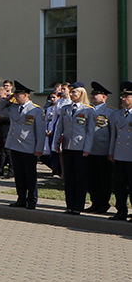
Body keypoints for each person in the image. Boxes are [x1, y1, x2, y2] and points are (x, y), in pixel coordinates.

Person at [53, 82, 95, 215]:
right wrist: (56, 143)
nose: (71, 94)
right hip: (67, 146)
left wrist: (87, 148)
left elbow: (90, 131)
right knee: (69, 176)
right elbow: (59, 127)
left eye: (74, 92)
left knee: (80, 177)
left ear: (81, 94)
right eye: (70, 92)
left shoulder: (88, 110)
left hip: (80, 147)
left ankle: (78, 206)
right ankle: (69, 205)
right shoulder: (65, 109)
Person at [5, 80, 46, 209]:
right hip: (15, 145)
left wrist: (39, 149)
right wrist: (7, 98)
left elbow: (40, 132)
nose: (16, 97)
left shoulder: (36, 110)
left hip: (29, 147)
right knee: (19, 175)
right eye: (15, 95)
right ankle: (21, 199)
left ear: (26, 95)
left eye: (19, 95)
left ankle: (32, 200)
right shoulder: (13, 107)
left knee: (30, 176)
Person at [86, 82, 115, 214]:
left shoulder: (110, 112)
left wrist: (111, 151)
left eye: (96, 94)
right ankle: (94, 202)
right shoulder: (86, 110)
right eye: (92, 94)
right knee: (92, 179)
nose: (93, 96)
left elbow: (112, 133)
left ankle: (104, 204)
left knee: (104, 180)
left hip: (103, 150)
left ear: (104, 97)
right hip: (89, 150)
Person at [109, 82, 132, 221]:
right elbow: (114, 135)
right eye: (122, 96)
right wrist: (111, 152)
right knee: (119, 186)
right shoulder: (117, 114)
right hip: (119, 154)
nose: (123, 99)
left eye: (127, 96)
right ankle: (121, 211)